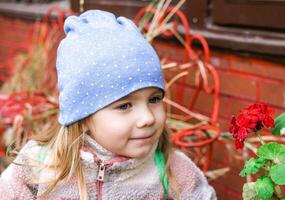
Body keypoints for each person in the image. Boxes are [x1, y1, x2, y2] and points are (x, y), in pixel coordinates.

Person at [0, 10, 216, 200]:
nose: (148, 118)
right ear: (82, 117)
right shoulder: (40, 164)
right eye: (124, 106)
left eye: (154, 99)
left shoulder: (172, 169)